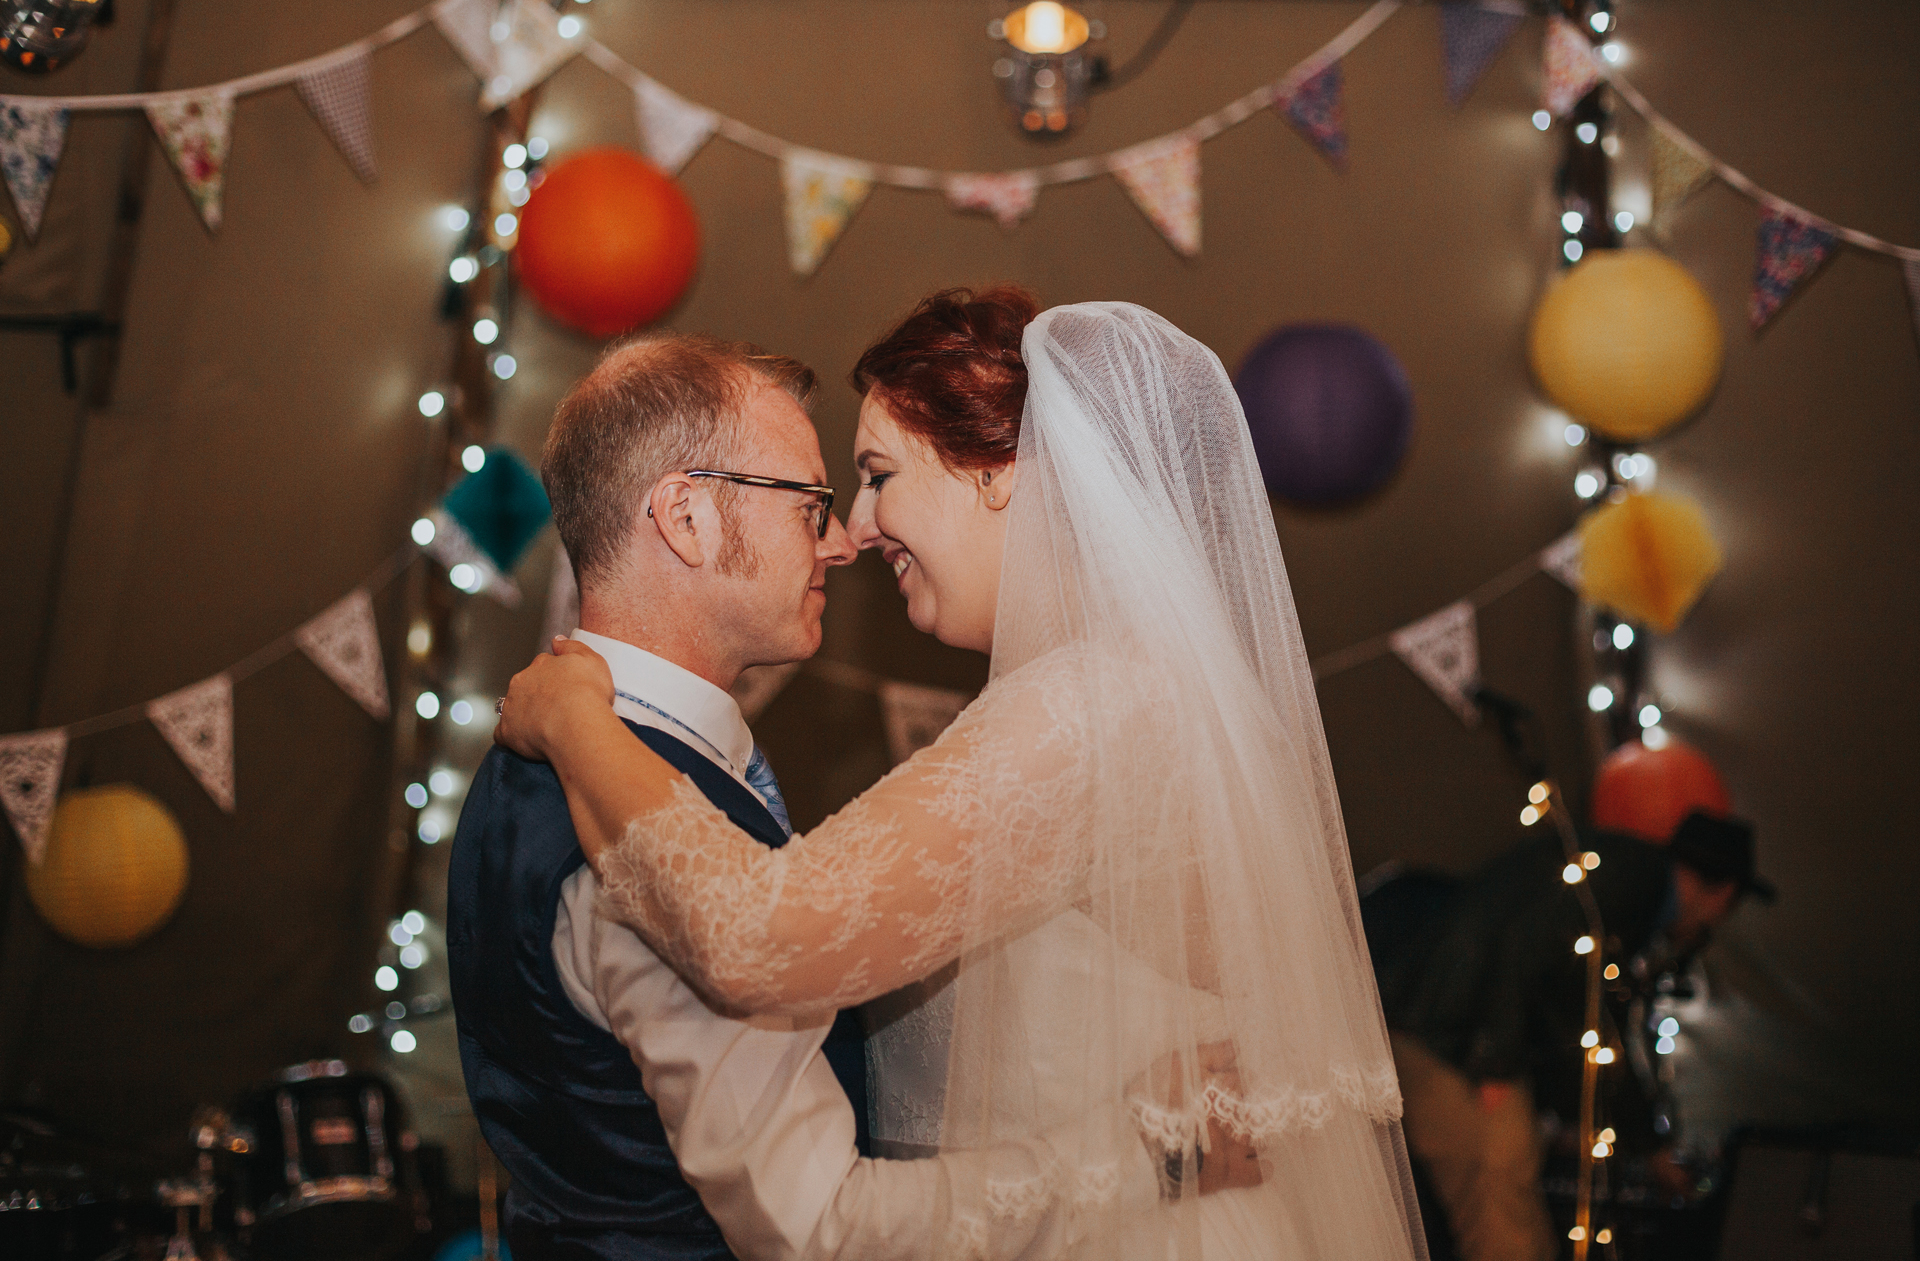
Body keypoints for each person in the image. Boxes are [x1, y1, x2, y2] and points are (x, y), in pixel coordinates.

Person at [496, 292, 1429, 1260]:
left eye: (876, 475)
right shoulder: (1103, 692)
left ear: (995, 473)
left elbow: (756, 939)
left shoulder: (1091, 705)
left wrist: (576, 720)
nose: (854, 530)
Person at [1365, 809, 1774, 1261]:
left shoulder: (1620, 869)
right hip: (1453, 1047)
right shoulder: (1633, 883)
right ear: (1722, 893)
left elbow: (1567, 995)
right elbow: (1543, 966)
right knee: (1503, 1210)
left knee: (1513, 1218)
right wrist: (1495, 1065)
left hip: (1443, 1033)